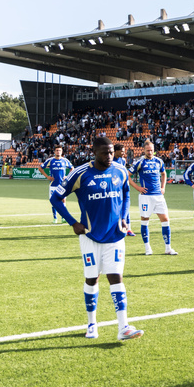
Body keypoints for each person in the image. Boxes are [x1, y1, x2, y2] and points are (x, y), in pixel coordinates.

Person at [50, 137, 143, 341]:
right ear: (94, 152)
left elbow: (126, 192)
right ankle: (92, 324)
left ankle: (123, 327)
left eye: (111, 152)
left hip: (115, 235)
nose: (109, 156)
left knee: (116, 277)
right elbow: (55, 198)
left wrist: (125, 217)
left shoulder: (119, 170)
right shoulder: (80, 173)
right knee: (92, 279)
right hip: (90, 236)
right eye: (105, 153)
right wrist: (73, 222)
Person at [129, 142, 176, 256]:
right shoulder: (139, 162)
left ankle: (168, 248)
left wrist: (163, 187)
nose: (149, 152)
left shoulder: (158, 161)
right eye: (147, 150)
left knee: (165, 220)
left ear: (154, 150)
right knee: (145, 220)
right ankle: (147, 248)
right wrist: (137, 187)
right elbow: (127, 175)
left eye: (151, 150)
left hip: (158, 196)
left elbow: (164, 174)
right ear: (144, 150)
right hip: (146, 197)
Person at [42, 145, 74, 224]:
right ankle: (55, 218)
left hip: (63, 185)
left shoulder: (65, 160)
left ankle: (63, 218)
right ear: (54, 152)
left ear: (62, 152)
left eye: (59, 150)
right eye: (57, 150)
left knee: (63, 200)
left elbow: (72, 168)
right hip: (53, 185)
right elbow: (40, 167)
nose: (58, 152)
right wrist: (47, 176)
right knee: (53, 201)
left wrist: (67, 176)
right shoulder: (50, 160)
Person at [113, 144, 135, 236]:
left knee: (125, 206)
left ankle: (128, 229)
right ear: (115, 151)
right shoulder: (109, 160)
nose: (123, 153)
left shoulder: (122, 160)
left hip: (121, 186)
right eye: (122, 151)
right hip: (113, 187)